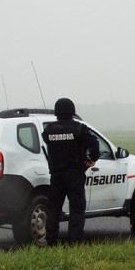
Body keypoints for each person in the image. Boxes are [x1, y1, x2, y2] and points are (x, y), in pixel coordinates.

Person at [41, 98, 99, 245]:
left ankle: (51, 241)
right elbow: (94, 143)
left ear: (56, 111)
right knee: (77, 209)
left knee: (53, 209)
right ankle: (75, 242)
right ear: (72, 111)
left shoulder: (48, 130)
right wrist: (92, 159)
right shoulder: (79, 128)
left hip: (56, 175)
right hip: (74, 174)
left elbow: (46, 140)